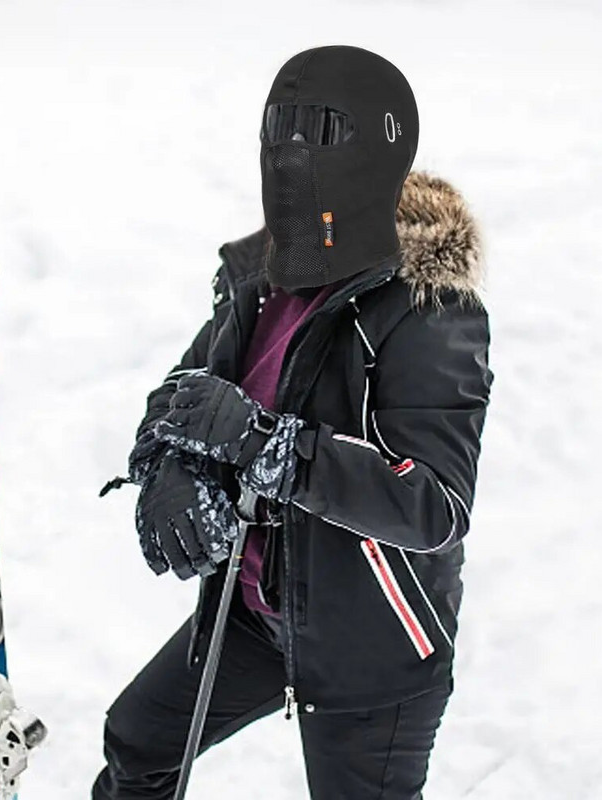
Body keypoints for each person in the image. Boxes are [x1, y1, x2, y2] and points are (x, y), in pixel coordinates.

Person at [93, 45, 494, 800]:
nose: (290, 153)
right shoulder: (263, 276)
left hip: (370, 645)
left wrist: (264, 446)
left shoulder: (429, 309)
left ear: (379, 147)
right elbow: (188, 388)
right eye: (278, 128)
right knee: (137, 747)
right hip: (252, 613)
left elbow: (436, 503)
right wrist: (170, 467)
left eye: (317, 129)